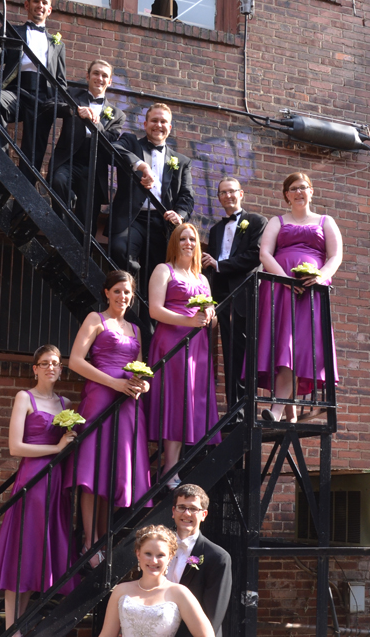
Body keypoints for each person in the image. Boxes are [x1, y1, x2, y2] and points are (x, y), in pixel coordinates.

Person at [0, 345, 77, 637]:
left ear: (61, 370)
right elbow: (15, 447)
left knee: (37, 553)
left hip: (56, 483)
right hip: (32, 479)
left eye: (56, 363)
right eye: (45, 363)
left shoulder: (66, 404)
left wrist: (70, 441)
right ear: (34, 368)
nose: (51, 367)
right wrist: (56, 448)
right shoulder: (25, 397)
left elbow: (72, 446)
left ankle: (18, 627)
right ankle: (12, 629)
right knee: (21, 552)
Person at [65, 270, 152, 567]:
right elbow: (75, 361)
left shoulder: (136, 330)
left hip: (128, 403)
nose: (122, 296)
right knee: (92, 472)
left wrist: (143, 384)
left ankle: (104, 538)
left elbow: (141, 368)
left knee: (114, 470)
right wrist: (113, 383)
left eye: (127, 292)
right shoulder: (95, 320)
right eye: (117, 291)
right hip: (100, 398)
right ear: (106, 293)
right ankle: (88, 541)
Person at [257, 172, 342, 422]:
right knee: (283, 344)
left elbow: (335, 256)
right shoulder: (277, 221)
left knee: (301, 346)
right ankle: (286, 410)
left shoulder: (326, 221)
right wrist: (284, 279)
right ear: (286, 195)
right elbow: (265, 254)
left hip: (311, 293)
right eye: (293, 188)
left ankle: (279, 408)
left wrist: (321, 277)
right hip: (280, 290)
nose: (298, 192)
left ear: (311, 191)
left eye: (303, 187)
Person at [147, 224, 219, 490]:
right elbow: (155, 310)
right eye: (183, 238)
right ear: (175, 243)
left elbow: (211, 321)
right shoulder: (163, 270)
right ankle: (170, 470)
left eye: (192, 239)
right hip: (172, 344)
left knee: (188, 402)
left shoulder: (202, 278)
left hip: (197, 348)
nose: (188, 242)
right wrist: (189, 320)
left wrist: (210, 316)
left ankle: (173, 468)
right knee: (175, 402)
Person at [0, 0, 67, 182]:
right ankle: (1, 160)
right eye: (36, 1)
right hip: (16, 90)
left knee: (33, 156)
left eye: (44, 3)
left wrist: (56, 103)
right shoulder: (13, 31)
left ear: (50, 9)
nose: (40, 5)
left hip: (43, 98)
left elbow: (61, 80)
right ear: (27, 5)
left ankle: (21, 207)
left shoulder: (58, 44)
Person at [110, 103, 194, 288]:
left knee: (156, 278)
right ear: (145, 123)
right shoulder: (131, 142)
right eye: (154, 120)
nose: (158, 125)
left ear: (169, 127)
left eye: (163, 121)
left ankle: (148, 316)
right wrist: (141, 165)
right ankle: (127, 295)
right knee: (121, 251)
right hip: (133, 218)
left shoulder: (181, 161)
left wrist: (179, 214)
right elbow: (113, 148)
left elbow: (187, 196)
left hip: (161, 225)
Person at [202, 177, 267, 414]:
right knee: (229, 352)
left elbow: (254, 255)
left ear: (241, 194)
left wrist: (219, 265)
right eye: (223, 193)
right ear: (218, 197)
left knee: (247, 351)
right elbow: (211, 265)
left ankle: (248, 408)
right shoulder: (216, 229)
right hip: (222, 298)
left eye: (232, 192)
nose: (228, 196)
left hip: (246, 296)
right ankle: (234, 410)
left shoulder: (258, 221)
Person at [93, 525, 215, 637]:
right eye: (148, 553)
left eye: (160, 555)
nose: (153, 561)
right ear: (138, 554)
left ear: (170, 557)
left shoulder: (180, 593)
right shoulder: (121, 590)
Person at [51, 60, 125, 235]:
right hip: (69, 158)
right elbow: (50, 105)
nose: (100, 78)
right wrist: (74, 111)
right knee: (58, 181)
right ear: (88, 76)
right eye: (96, 73)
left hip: (94, 166)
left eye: (104, 75)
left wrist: (95, 124)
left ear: (110, 81)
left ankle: (81, 253)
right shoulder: (73, 95)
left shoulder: (117, 115)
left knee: (87, 217)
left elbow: (110, 141)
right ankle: (63, 233)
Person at [167, 484, 232, 637]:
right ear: (173, 511)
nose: (186, 513)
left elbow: (212, 616)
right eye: (181, 507)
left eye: (193, 509)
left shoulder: (218, 558)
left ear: (203, 514)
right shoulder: (158, 549)